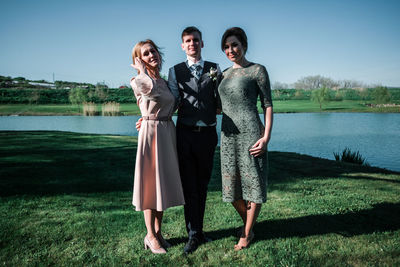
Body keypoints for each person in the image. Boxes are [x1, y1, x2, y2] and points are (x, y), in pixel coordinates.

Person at [218, 27, 273, 251]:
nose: (231, 50)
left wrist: (266, 137)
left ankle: (247, 233)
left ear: (244, 45)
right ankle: (248, 224)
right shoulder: (222, 75)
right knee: (231, 191)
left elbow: (267, 105)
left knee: (254, 185)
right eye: (227, 47)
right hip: (228, 136)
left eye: (235, 45)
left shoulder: (257, 70)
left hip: (252, 134)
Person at [168, 26, 221, 254]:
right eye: (188, 41)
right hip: (186, 134)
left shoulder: (214, 69)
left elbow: (221, 98)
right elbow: (170, 101)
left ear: (202, 43)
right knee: (189, 185)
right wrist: (147, 118)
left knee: (202, 184)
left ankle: (199, 231)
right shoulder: (175, 71)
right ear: (182, 45)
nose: (192, 44)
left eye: (196, 40)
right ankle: (192, 234)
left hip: (208, 135)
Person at [130, 39, 185, 254]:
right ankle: (150, 236)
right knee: (149, 186)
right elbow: (149, 92)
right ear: (139, 59)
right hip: (151, 135)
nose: (152, 55)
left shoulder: (164, 81)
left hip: (167, 131)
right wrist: (142, 70)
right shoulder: (137, 80)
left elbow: (170, 103)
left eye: (153, 51)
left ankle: (158, 232)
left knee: (162, 184)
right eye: (145, 54)